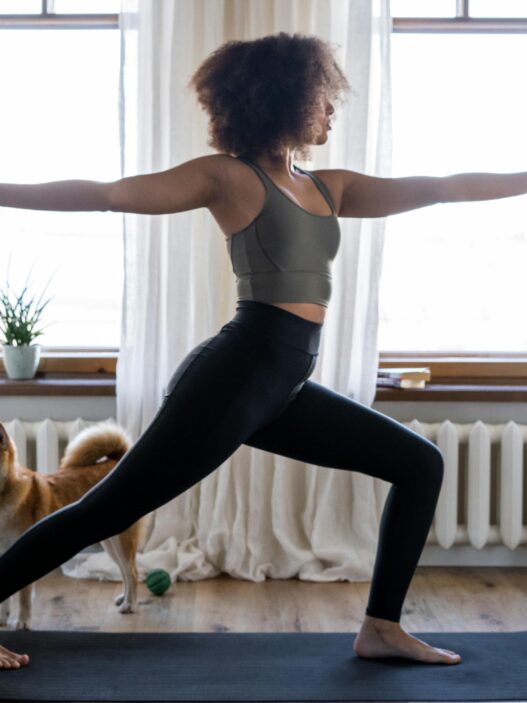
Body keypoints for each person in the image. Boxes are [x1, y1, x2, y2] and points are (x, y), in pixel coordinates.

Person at [3, 31, 526, 672]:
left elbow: (442, 186)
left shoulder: (329, 187)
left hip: (282, 385)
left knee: (420, 464)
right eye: (324, 98)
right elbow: (112, 194)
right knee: (108, 508)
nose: (332, 110)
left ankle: (381, 627)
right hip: (234, 375)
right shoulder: (228, 178)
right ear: (287, 99)